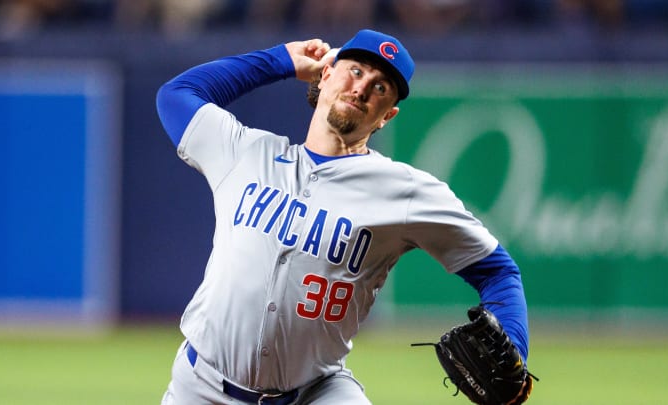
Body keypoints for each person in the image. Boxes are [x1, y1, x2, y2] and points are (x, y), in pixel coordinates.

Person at [156, 28, 530, 404]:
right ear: (325, 74)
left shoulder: (406, 192)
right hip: (202, 387)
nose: (363, 87)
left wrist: (515, 348)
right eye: (355, 70)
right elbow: (176, 95)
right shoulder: (244, 153)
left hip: (316, 393)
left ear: (388, 116)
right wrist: (280, 60)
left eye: (382, 87)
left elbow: (497, 270)